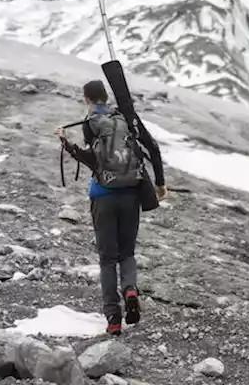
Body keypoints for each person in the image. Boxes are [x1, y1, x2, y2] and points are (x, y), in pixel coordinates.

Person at [56, 79, 167, 335]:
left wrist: (65, 143)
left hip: (103, 196)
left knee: (107, 260)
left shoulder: (90, 122)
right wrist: (160, 183)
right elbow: (152, 147)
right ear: (106, 96)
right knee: (127, 253)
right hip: (131, 194)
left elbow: (91, 160)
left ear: (87, 98)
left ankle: (114, 319)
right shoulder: (125, 119)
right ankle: (130, 289)